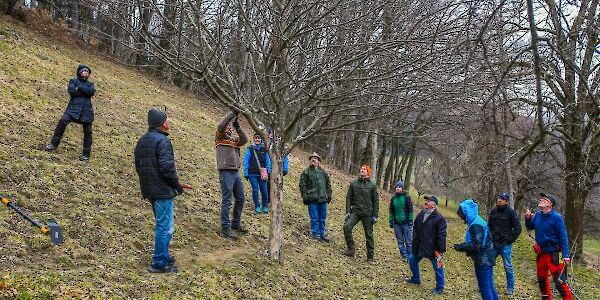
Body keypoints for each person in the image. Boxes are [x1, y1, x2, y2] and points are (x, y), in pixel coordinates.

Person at [134, 108, 183, 273]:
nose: (169, 122)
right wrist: (177, 185)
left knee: (162, 224)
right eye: (167, 120)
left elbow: (138, 167)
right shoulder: (162, 141)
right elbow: (167, 168)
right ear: (162, 123)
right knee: (165, 226)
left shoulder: (142, 141)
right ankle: (159, 263)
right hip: (162, 190)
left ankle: (164, 255)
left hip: (149, 190)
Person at [525, 193, 573, 300]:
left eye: (544, 199)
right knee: (542, 280)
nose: (541, 199)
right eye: (541, 198)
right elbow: (530, 226)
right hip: (541, 253)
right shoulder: (537, 215)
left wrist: (565, 255)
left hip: (556, 254)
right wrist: (528, 218)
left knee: (560, 281)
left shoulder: (557, 218)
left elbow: (564, 237)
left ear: (550, 205)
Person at [46, 64, 96, 161]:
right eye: (83, 71)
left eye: (87, 72)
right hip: (72, 109)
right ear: (79, 72)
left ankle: (86, 154)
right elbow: (72, 91)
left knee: (88, 132)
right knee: (62, 122)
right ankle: (53, 144)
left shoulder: (90, 84)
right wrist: (84, 91)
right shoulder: (73, 81)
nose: (85, 73)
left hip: (86, 112)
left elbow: (91, 92)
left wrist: (80, 87)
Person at [454, 199, 499, 300]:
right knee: (490, 286)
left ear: (466, 212)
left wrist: (460, 247)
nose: (462, 218)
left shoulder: (476, 224)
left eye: (462, 215)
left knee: (485, 288)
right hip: (488, 257)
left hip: (483, 260)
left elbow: (476, 245)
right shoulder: (477, 220)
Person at [215, 111, 248, 240]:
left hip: (235, 173)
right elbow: (221, 126)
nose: (229, 128)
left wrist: (237, 127)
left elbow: (244, 139)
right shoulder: (220, 137)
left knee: (240, 198)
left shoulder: (234, 140)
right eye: (228, 127)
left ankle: (235, 224)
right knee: (227, 200)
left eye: (230, 127)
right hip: (225, 172)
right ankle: (225, 228)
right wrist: (232, 114)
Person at [406, 195, 447, 295]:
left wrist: (440, 250)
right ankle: (416, 279)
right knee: (412, 259)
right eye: (426, 201)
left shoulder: (440, 218)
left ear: (434, 205)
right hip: (420, 246)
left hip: (436, 250)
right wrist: (414, 238)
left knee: (439, 267)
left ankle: (440, 287)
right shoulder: (421, 214)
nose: (426, 202)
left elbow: (442, 234)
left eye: (428, 201)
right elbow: (415, 227)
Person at [343, 165, 379, 263]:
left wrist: (375, 215)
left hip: (368, 214)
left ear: (368, 172)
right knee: (347, 227)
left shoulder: (372, 185)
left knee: (369, 235)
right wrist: (348, 212)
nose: (362, 170)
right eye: (361, 169)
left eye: (364, 169)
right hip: (356, 212)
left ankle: (370, 257)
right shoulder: (354, 183)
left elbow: (375, 201)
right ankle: (351, 249)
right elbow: (348, 198)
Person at [488, 192, 522, 295]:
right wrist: (490, 238)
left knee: (508, 266)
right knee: (488, 264)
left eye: (502, 198)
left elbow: (518, 228)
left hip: (505, 245)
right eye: (499, 198)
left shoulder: (511, 212)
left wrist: (509, 240)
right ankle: (488, 285)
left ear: (506, 201)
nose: (499, 200)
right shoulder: (493, 211)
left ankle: (510, 288)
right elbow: (489, 226)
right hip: (493, 244)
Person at [299, 152, 332, 241]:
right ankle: (315, 234)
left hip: (323, 199)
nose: (314, 159)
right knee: (314, 218)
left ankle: (322, 234)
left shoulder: (323, 172)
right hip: (312, 199)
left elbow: (328, 184)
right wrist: (305, 197)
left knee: (322, 218)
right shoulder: (306, 172)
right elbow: (302, 185)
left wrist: (329, 195)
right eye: (312, 158)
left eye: (316, 158)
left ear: (319, 161)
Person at [243, 133, 271, 214]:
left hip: (263, 174)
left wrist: (268, 171)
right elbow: (246, 161)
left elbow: (268, 161)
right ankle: (257, 206)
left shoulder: (264, 149)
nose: (257, 139)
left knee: (264, 190)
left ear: (261, 139)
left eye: (259, 138)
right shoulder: (250, 149)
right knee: (255, 190)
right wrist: (246, 173)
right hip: (252, 174)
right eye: (256, 138)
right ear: (253, 139)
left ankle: (265, 206)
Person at [389, 180, 413, 261]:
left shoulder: (407, 197)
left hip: (406, 223)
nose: (397, 188)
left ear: (402, 188)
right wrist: (390, 220)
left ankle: (410, 256)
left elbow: (410, 209)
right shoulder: (393, 199)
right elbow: (391, 210)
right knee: (400, 242)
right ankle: (404, 256)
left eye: (399, 187)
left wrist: (410, 220)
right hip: (397, 224)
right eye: (396, 187)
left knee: (408, 241)